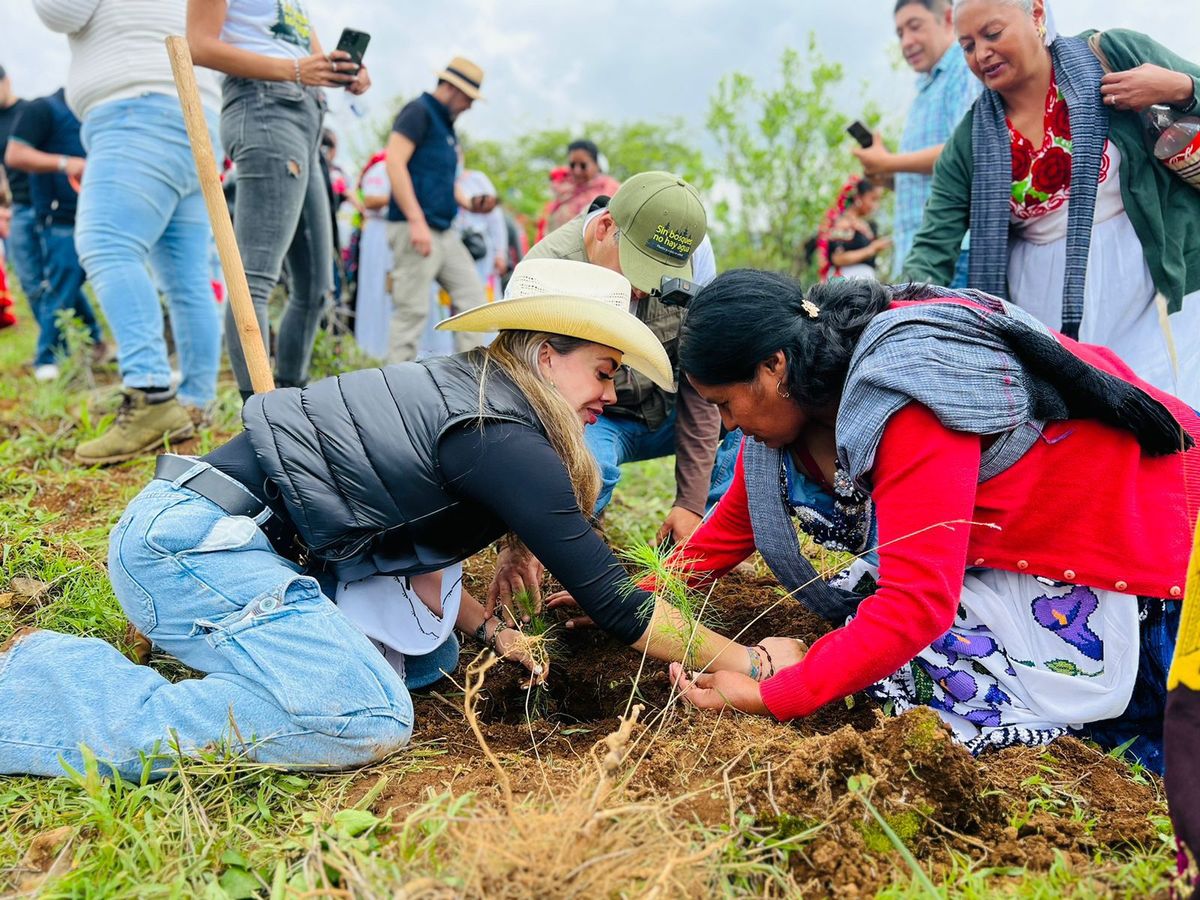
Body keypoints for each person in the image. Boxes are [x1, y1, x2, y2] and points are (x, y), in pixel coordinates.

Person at [0, 259, 798, 780]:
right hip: (192, 550)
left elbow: (417, 559)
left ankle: (192, 652)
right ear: (548, 356)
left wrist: (491, 632)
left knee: (425, 660)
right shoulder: (500, 434)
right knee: (369, 714)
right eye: (602, 370)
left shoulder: (473, 395)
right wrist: (755, 663)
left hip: (205, 539)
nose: (610, 397)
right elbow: (616, 603)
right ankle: (45, 691)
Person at [664, 269, 1198, 773]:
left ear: (774, 367)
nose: (726, 424)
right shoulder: (799, 404)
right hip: (1031, 547)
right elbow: (733, 525)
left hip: (1148, 545)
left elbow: (916, 603)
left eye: (725, 404)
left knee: (912, 669)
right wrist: (632, 595)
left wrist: (771, 692)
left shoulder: (906, 395)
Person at [903, 0, 1200, 406]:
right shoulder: (970, 141)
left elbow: (1192, 89)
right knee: (1096, 444)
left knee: (1176, 420)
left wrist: (1179, 88)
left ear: (1037, 14)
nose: (982, 53)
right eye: (968, 46)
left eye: (993, 34)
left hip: (1155, 286)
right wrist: (891, 307)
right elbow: (934, 243)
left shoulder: (1110, 56)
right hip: (1047, 323)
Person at [32, 0, 225, 464]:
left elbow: (59, 12)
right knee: (186, 277)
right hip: (192, 111)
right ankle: (195, 402)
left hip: (138, 111)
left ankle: (151, 395)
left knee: (107, 244)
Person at [523, 172, 722, 545]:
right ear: (605, 227)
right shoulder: (544, 273)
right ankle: (575, 541)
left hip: (667, 409)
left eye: (660, 273)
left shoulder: (694, 253)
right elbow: (531, 407)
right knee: (583, 481)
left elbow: (703, 374)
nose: (645, 287)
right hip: (590, 422)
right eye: (636, 264)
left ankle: (706, 544)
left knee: (753, 424)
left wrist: (692, 503)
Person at [187, 0, 371, 398]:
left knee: (318, 286)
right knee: (253, 276)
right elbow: (198, 45)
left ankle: (289, 405)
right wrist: (297, 70)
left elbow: (311, 56)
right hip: (264, 107)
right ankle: (260, 415)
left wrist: (341, 72)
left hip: (307, 117)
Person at [851, 0, 981, 283]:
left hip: (952, 253)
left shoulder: (963, 68)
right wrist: (887, 176)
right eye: (899, 33)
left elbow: (966, 151)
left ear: (948, 19)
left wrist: (890, 161)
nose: (906, 41)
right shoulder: (923, 89)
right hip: (915, 254)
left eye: (915, 27)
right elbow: (932, 179)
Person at [384, 57, 489, 364]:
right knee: (411, 311)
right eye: (468, 98)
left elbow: (446, 180)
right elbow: (394, 161)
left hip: (444, 230)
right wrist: (416, 220)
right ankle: (392, 393)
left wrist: (471, 203)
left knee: (474, 305)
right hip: (414, 226)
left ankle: (468, 388)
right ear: (452, 88)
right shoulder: (419, 111)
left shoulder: (447, 127)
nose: (469, 106)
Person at [4, 87, 102, 382]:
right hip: (22, 206)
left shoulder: (44, 110)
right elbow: (9, 159)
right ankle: (83, 342)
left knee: (62, 278)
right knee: (38, 283)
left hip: (57, 207)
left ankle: (54, 353)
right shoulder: (42, 110)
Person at [0, 64, 38, 330]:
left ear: (7, 81)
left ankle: (90, 335)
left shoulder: (31, 112)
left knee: (63, 276)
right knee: (29, 280)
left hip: (49, 204)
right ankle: (50, 348)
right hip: (19, 206)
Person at [351, 149, 391, 359]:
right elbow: (369, 199)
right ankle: (370, 346)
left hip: (396, 232)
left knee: (391, 292)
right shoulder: (381, 168)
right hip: (378, 234)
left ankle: (386, 346)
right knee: (375, 289)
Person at [542, 140, 622, 236]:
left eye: (583, 165)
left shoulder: (611, 191)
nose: (577, 171)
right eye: (572, 165)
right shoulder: (564, 192)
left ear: (596, 165)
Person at [819, 178, 890, 281]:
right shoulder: (844, 224)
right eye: (873, 199)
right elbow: (837, 258)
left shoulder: (865, 224)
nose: (876, 206)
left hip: (864, 280)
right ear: (859, 198)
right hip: (847, 281)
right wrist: (871, 249)